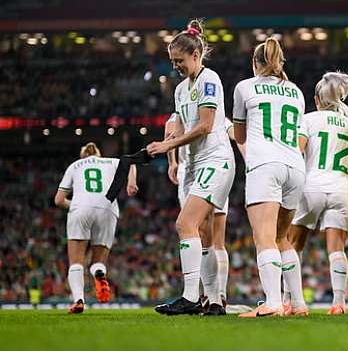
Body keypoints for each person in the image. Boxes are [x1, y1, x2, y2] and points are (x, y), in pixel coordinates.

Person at [147, 19, 236, 316]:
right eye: (172, 62)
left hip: (216, 159)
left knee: (184, 224)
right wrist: (162, 145)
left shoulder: (209, 79)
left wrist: (169, 147)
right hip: (196, 165)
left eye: (180, 61)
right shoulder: (181, 90)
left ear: (195, 56)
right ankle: (213, 302)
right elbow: (181, 128)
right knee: (204, 233)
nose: (176, 67)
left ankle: (189, 296)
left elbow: (205, 126)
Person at [233, 38, 307, 318]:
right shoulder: (296, 91)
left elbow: (239, 136)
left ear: (255, 63)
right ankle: (298, 305)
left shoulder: (244, 87)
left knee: (264, 238)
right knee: (281, 237)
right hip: (295, 167)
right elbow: (301, 138)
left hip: (265, 165)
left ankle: (274, 303)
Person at [286, 72, 348, 315]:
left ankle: (290, 302)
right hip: (342, 188)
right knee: (336, 249)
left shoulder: (307, 119)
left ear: (317, 99)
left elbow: (298, 151)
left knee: (292, 245)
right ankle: (339, 303)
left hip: (311, 186)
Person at [165, 115, 245, 308]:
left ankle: (212, 296)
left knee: (202, 233)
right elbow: (237, 136)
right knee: (206, 236)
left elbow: (168, 132)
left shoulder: (189, 113)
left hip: (207, 169)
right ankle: (214, 296)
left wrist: (172, 162)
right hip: (201, 169)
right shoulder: (216, 116)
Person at [54, 142, 138, 314]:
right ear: (98, 154)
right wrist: (131, 183)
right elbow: (130, 163)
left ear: (83, 155)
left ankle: (78, 300)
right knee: (98, 261)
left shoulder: (75, 165)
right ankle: (99, 273)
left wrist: (76, 204)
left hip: (80, 208)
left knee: (76, 261)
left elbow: (59, 200)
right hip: (107, 208)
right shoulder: (110, 162)